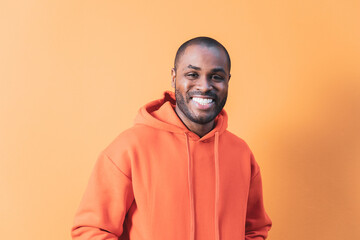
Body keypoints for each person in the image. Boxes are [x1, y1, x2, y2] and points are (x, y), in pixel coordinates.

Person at [71, 37, 272, 240]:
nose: (204, 86)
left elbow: (255, 230)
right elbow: (91, 231)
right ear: (174, 77)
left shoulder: (241, 154)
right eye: (192, 74)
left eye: (216, 77)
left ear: (227, 80)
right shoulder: (130, 148)